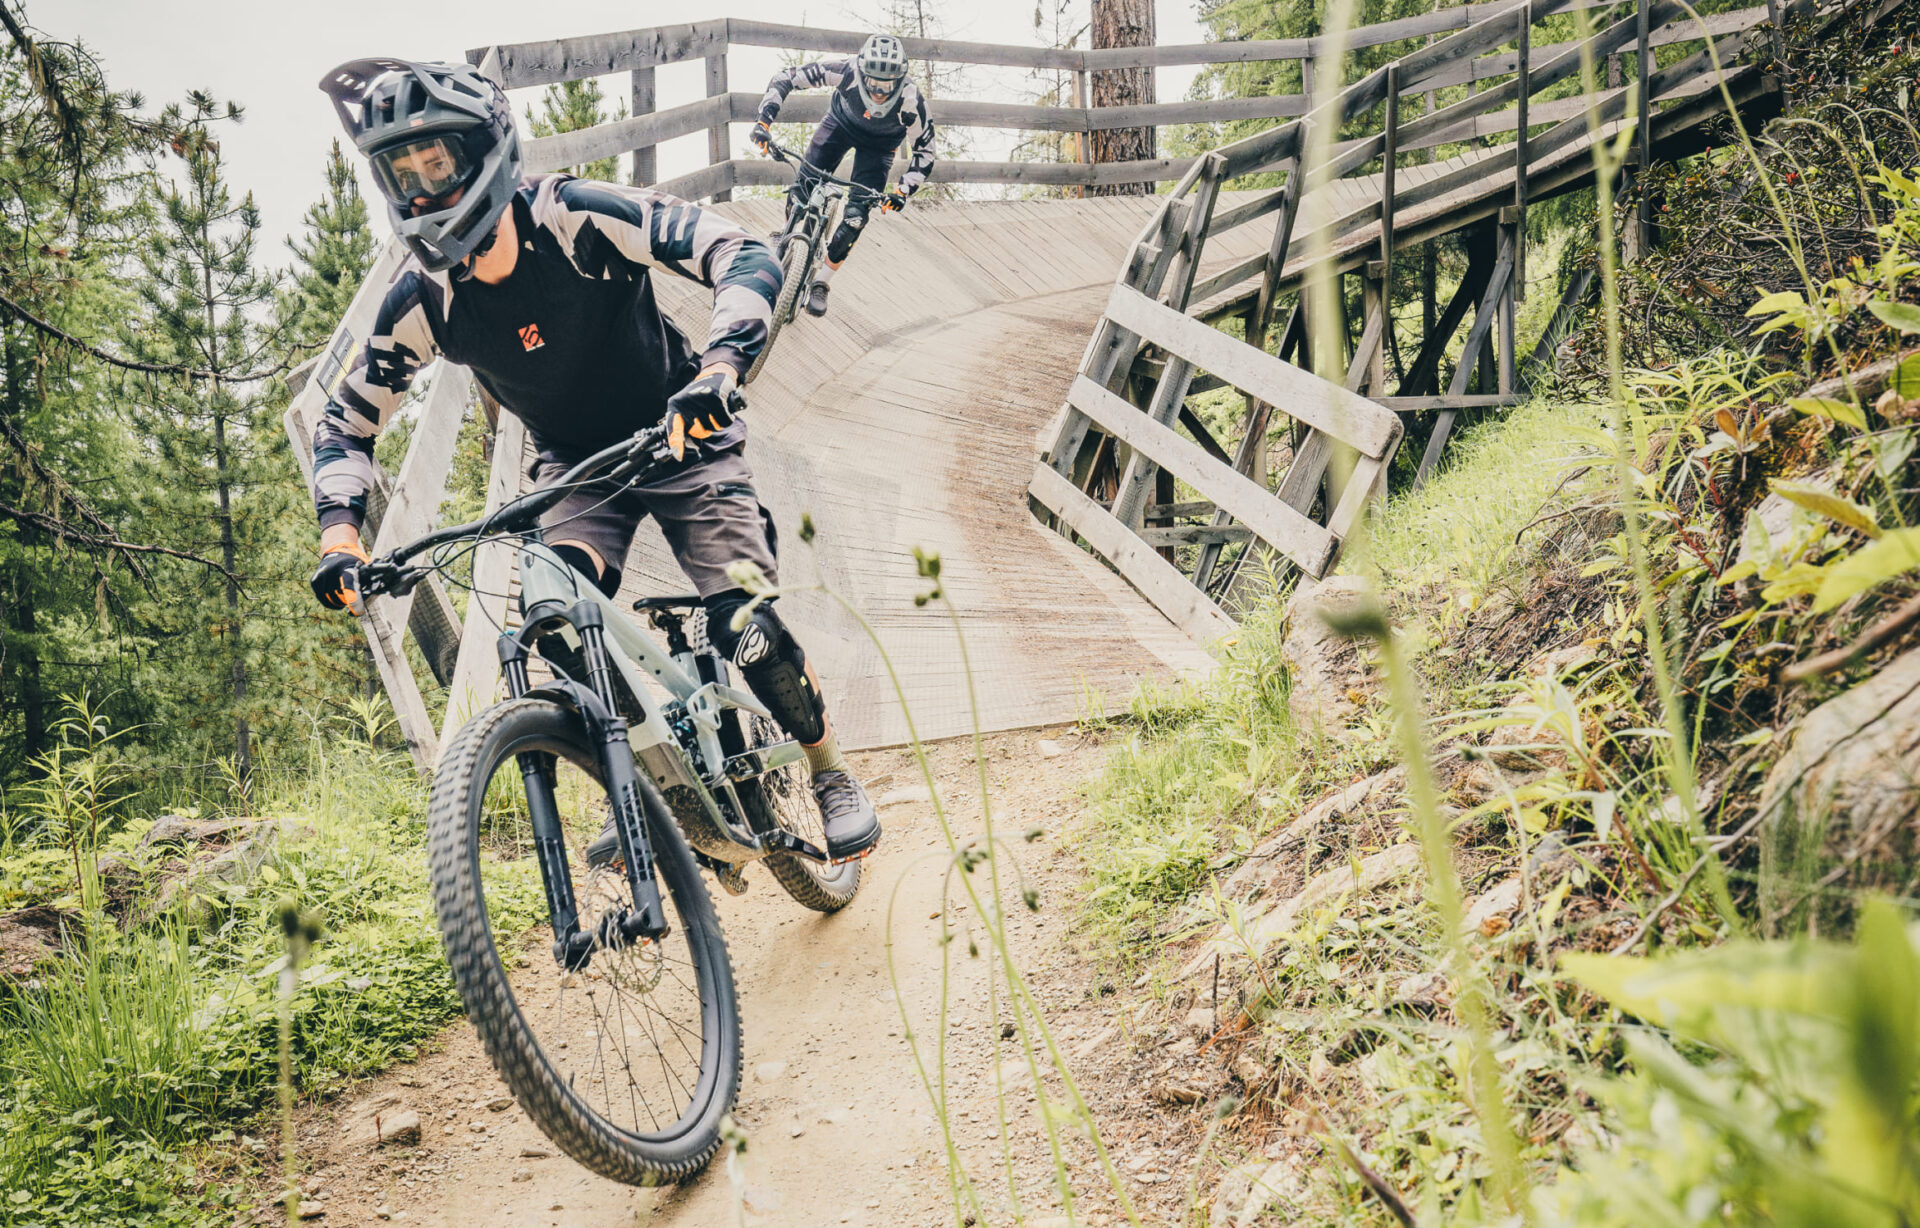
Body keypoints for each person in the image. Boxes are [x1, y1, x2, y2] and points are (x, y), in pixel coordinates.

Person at [305, 57, 880, 862]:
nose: (425, 191)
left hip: (683, 428)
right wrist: (340, 533)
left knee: (745, 622)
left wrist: (719, 370)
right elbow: (347, 422)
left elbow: (741, 255)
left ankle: (828, 769)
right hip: (579, 467)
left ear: (485, 152)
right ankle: (648, 786)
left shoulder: (572, 218)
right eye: (404, 174)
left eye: (438, 164)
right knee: (558, 624)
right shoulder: (425, 300)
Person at [750, 33, 936, 318]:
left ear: (900, 81)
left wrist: (902, 192)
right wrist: (764, 121)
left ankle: (821, 283)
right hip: (840, 124)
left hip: (880, 147)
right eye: (873, 82)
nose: (879, 91)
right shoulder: (845, 70)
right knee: (804, 184)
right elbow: (785, 78)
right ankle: (788, 232)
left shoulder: (912, 102)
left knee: (856, 217)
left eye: (887, 85)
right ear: (861, 72)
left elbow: (926, 151)